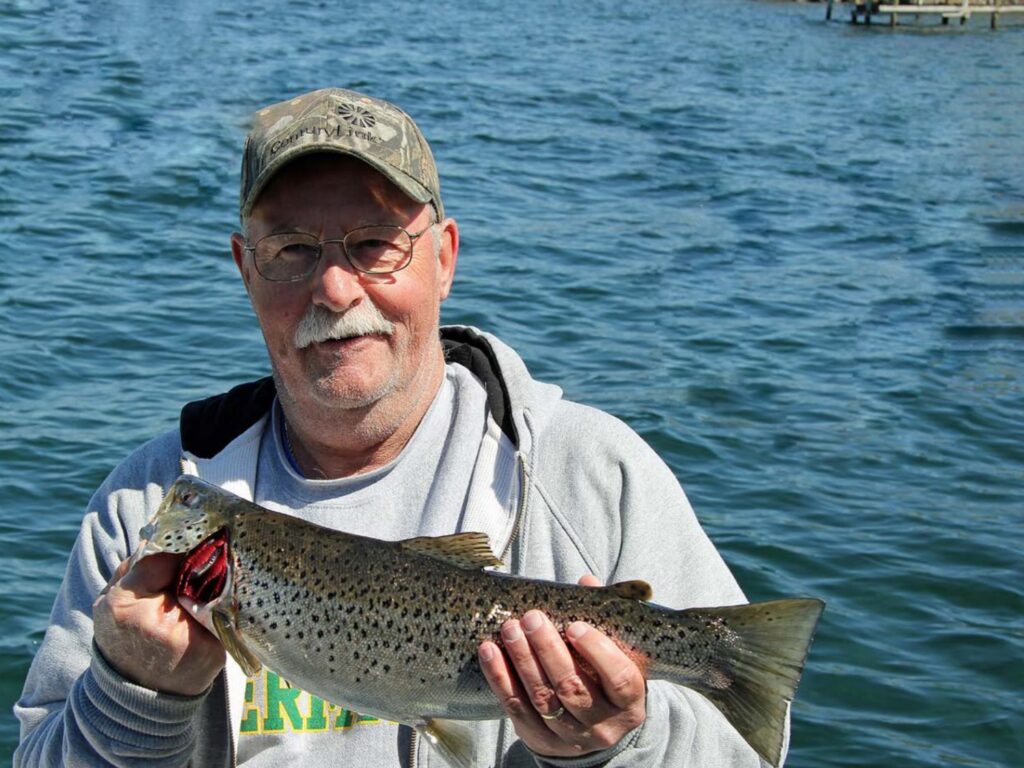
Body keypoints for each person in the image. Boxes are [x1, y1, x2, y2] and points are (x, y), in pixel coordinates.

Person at [15, 87, 776, 767]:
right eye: (292, 250)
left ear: (442, 258)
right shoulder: (147, 504)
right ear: (246, 269)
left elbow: (745, 756)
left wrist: (616, 746)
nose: (336, 287)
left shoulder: (593, 475)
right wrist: (131, 695)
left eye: (375, 243)